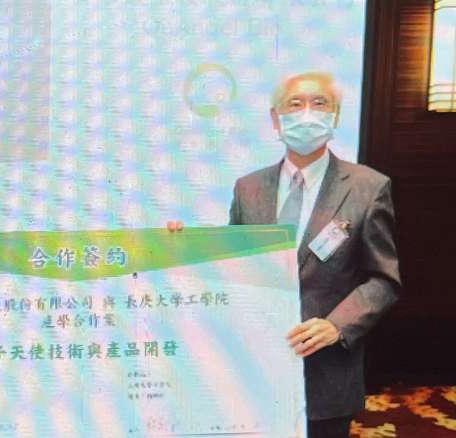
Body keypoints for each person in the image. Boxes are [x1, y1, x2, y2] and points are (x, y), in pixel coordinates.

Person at [168, 72, 400, 438]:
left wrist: (337, 325)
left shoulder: (368, 187)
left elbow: (383, 279)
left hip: (326, 369)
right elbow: (234, 266)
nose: (307, 113)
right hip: (254, 367)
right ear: (276, 119)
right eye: (295, 104)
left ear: (335, 116)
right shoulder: (248, 188)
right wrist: (185, 246)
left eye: (319, 103)